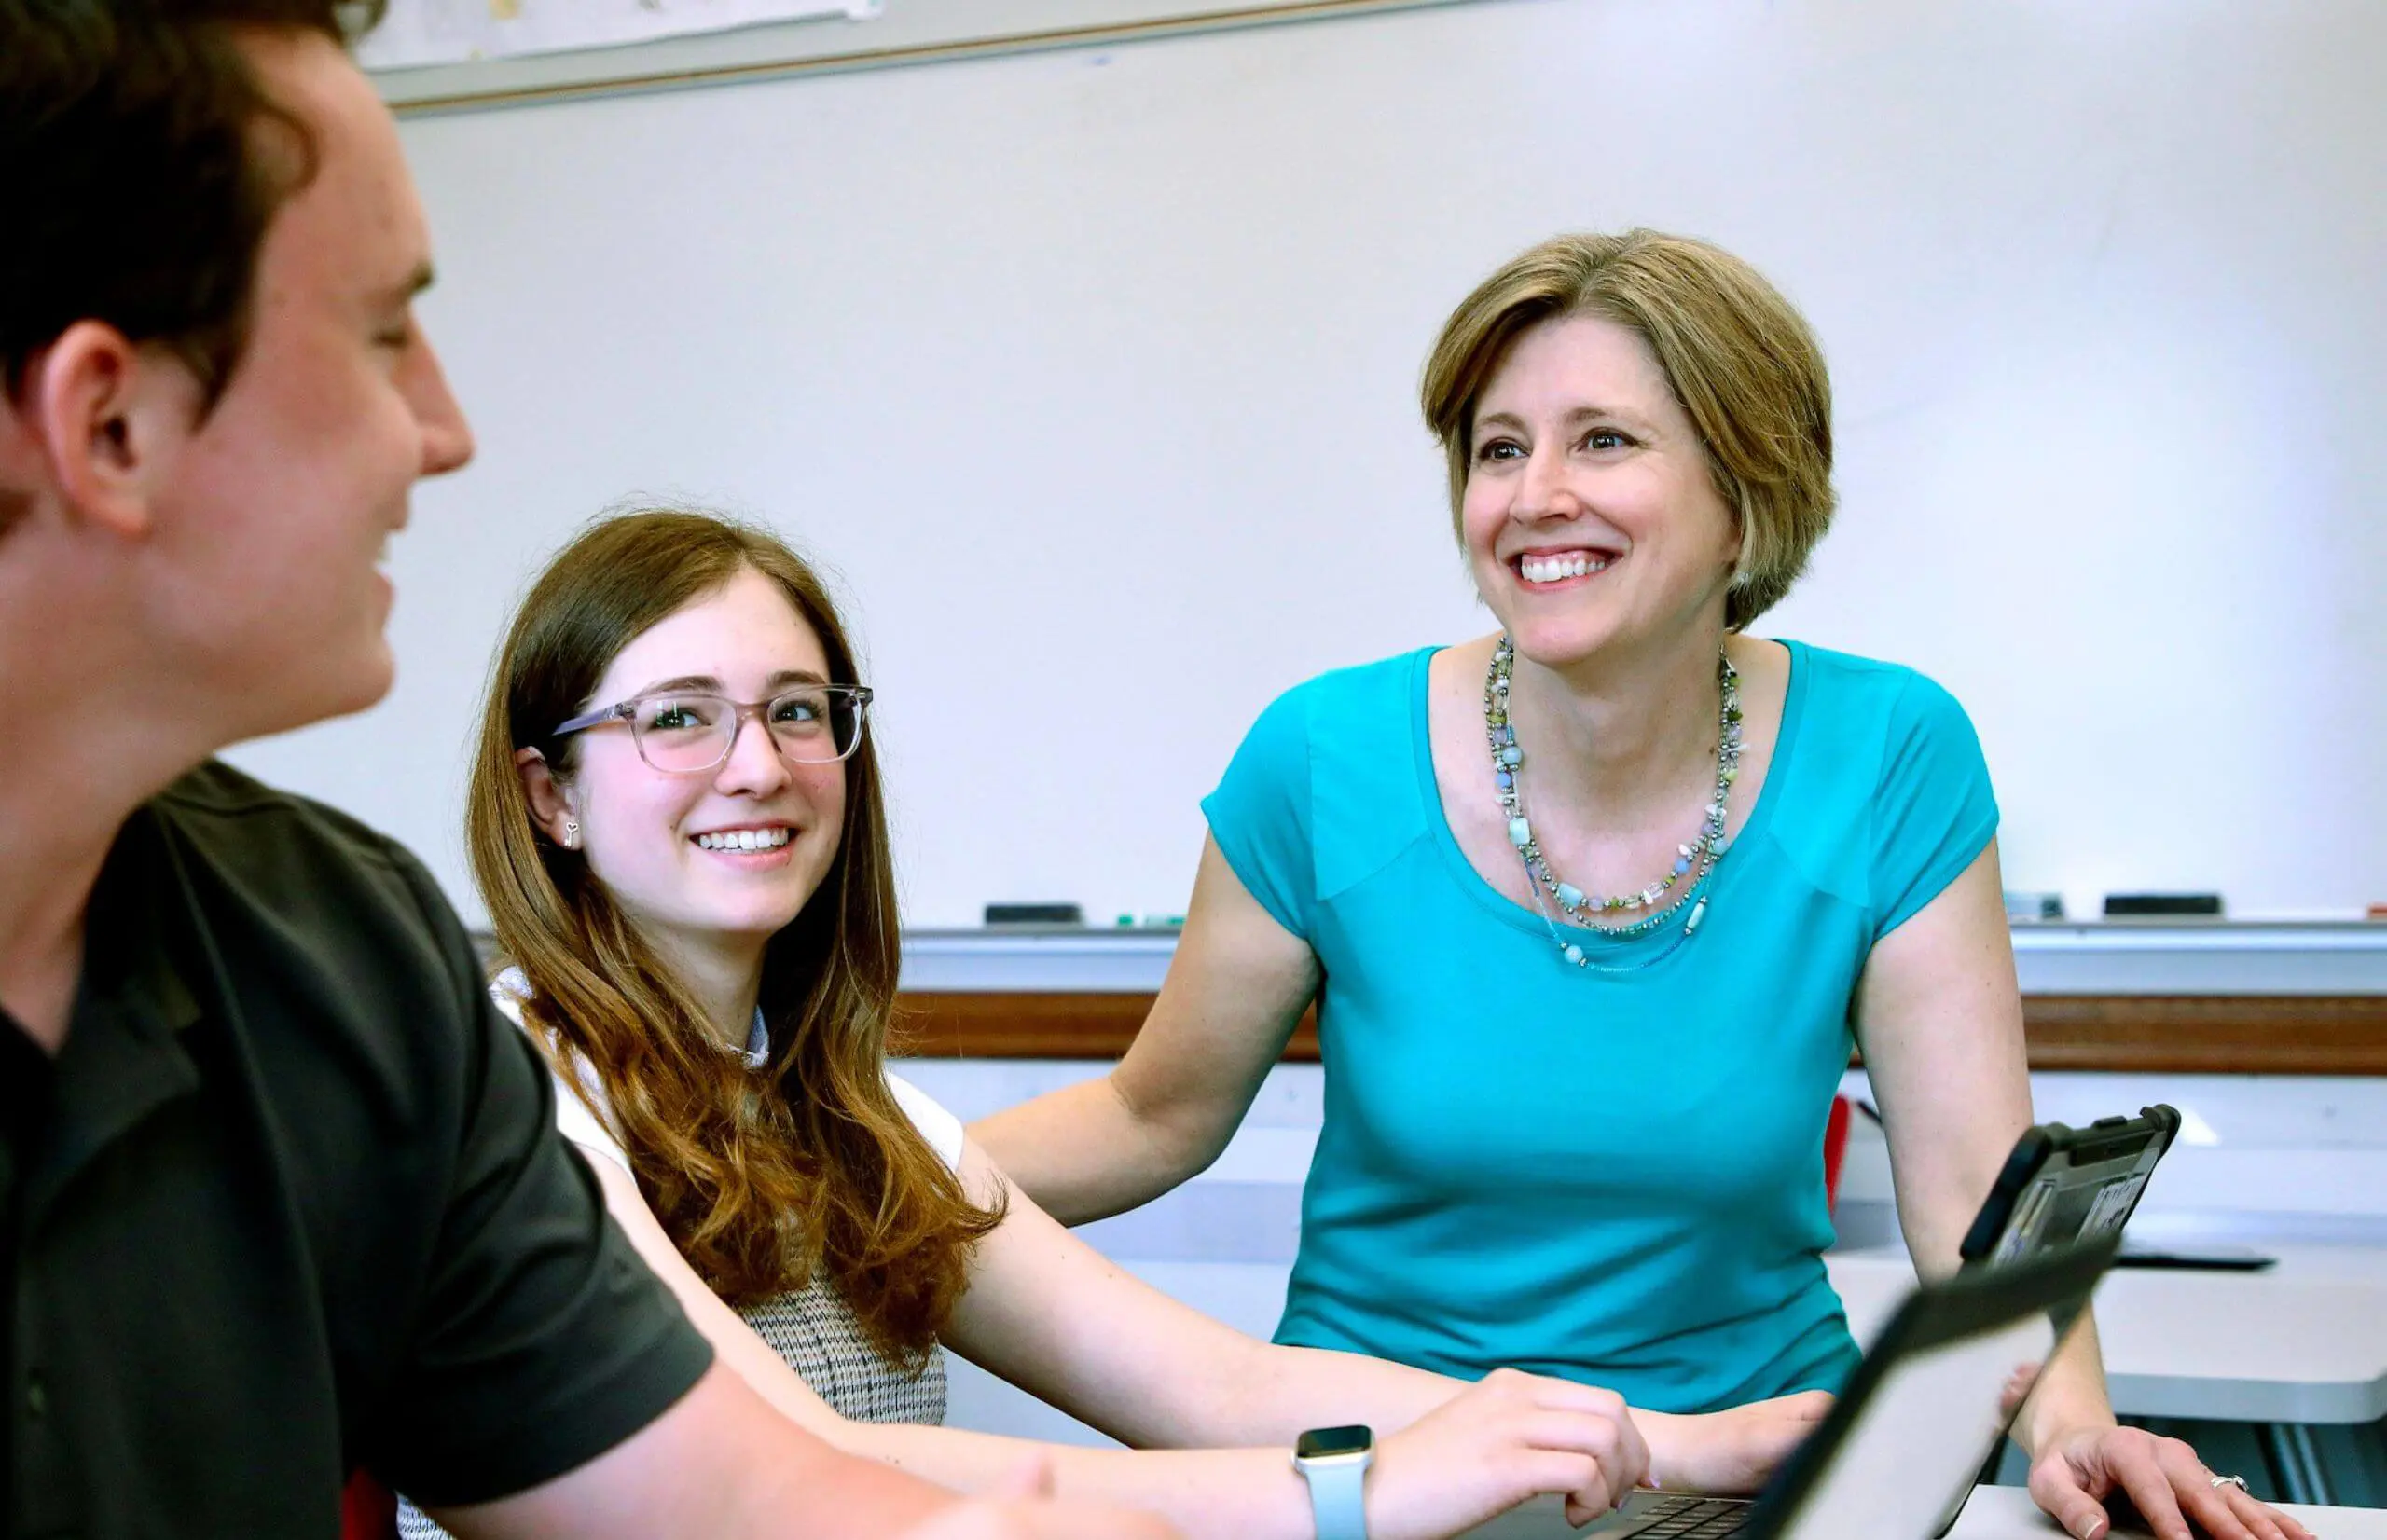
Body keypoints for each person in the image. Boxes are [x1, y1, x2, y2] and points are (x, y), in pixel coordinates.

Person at [0, 5, 1165, 1536]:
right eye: (378, 333)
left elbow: (741, 1500)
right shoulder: (524, 1050)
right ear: (110, 424)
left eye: (799, 713)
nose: (446, 429)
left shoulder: (340, 960)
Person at [972, 229, 2311, 1540]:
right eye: (1501, 449)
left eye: (1603, 439)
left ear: (1748, 487)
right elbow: (1153, 1117)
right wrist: (837, 1171)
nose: (1534, 494)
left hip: (1767, 1477)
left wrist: (2071, 1426)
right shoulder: (1323, 760)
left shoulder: (1892, 751)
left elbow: (1973, 1193)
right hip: (1399, 1472)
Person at [413, 504, 1841, 1540]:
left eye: (798, 712)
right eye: (676, 718)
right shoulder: (522, 1093)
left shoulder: (841, 1110)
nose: (758, 766)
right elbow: (806, 1469)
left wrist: (1674, 1443)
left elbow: (1210, 1384)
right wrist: (1359, 1499)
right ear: (550, 796)